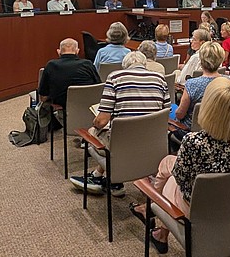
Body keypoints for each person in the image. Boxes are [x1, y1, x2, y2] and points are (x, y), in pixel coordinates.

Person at [133, 78, 230, 257]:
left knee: (166, 170)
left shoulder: (194, 142)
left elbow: (180, 178)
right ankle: (159, 229)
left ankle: (155, 219)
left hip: (197, 208)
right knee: (168, 164)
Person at [69, 51, 170, 195]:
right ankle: (103, 178)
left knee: (91, 133)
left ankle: (111, 178)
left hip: (122, 145)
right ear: (144, 64)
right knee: (117, 132)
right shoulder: (160, 79)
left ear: (124, 66)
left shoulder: (115, 77)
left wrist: (95, 124)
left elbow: (102, 121)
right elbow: (165, 113)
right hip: (153, 143)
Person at [38, 38, 100, 109]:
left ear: (58, 52)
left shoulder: (51, 65)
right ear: (77, 51)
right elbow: (98, 87)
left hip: (60, 109)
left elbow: (43, 95)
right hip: (87, 107)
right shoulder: (88, 64)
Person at [175, 42, 225, 128]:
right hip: (219, 128)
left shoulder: (192, 84)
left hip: (191, 129)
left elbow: (180, 114)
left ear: (201, 60)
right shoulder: (229, 83)